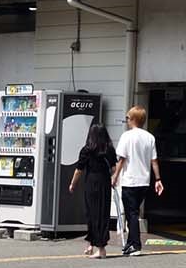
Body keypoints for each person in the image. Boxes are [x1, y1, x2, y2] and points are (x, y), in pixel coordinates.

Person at [112, 105, 163, 257]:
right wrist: (158, 179)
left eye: (127, 117)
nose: (126, 120)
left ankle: (136, 245)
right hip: (144, 181)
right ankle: (130, 243)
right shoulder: (150, 137)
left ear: (133, 119)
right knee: (133, 212)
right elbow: (154, 160)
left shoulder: (126, 136)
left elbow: (121, 159)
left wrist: (115, 176)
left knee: (131, 214)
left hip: (130, 180)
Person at [68, 123, 117, 259]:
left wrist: (72, 184)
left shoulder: (87, 150)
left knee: (91, 214)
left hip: (91, 182)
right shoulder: (109, 149)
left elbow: (79, 169)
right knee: (102, 214)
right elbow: (113, 169)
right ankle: (93, 245)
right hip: (104, 182)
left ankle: (100, 249)